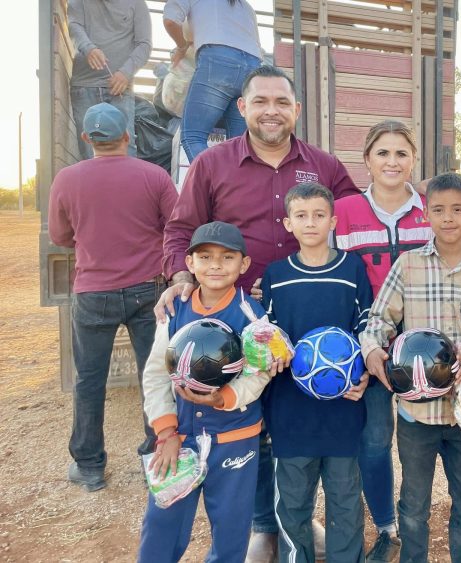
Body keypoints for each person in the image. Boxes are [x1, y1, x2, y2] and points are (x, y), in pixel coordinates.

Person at [157, 64, 360, 561]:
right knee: (248, 415)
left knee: (296, 410)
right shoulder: (211, 164)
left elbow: (359, 216)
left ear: (296, 110)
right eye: (261, 101)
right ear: (243, 107)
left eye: (282, 102)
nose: (272, 111)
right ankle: (264, 525)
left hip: (307, 312)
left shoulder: (325, 165)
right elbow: (181, 230)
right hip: (236, 315)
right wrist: (181, 278)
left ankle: (294, 515)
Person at [361, 172, 461, 563]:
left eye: (458, 210)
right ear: (426, 214)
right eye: (439, 210)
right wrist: (373, 351)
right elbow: (379, 321)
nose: (448, 218)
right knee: (413, 503)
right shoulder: (408, 265)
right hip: (417, 414)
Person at [47, 103, 178, 491]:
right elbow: (175, 227)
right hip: (147, 291)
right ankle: (155, 454)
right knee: (153, 375)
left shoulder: (66, 179)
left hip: (92, 292)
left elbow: (59, 236)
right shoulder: (154, 176)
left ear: (87, 139)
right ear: (128, 136)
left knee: (89, 379)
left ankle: (89, 466)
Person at [138, 221, 275, 562]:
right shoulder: (174, 310)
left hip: (235, 437)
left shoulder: (253, 315)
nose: (215, 265)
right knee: (161, 525)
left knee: (230, 532)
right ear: (190, 263)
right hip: (180, 440)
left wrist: (223, 398)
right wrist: (166, 431)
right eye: (205, 256)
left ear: (243, 265)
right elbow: (156, 373)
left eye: (227, 257)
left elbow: (258, 375)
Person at [260, 183, 373, 562]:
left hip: (343, 408)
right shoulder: (276, 275)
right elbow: (269, 334)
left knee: (344, 500)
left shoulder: (351, 268)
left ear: (333, 221)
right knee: (292, 504)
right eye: (302, 216)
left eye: (319, 215)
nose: (311, 223)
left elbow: (367, 328)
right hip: (291, 411)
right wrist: (273, 355)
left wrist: (363, 377)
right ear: (288, 223)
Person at [333, 120, 429, 561]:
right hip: (366, 349)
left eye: (402, 153)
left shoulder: (433, 210)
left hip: (426, 352)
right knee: (374, 442)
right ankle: (387, 529)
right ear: (367, 160)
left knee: (442, 437)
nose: (393, 161)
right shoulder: (345, 211)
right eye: (383, 153)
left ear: (414, 160)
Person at [163, 0, 264, 161]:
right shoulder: (245, 6)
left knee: (193, 137)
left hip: (218, 61)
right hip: (253, 68)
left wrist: (181, 47)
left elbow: (170, 20)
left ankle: (214, 184)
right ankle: (237, 185)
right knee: (240, 145)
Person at [67, 0, 152, 160]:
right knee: (89, 152)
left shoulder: (137, 4)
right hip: (84, 86)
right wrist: (88, 48)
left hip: (120, 89)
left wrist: (126, 73)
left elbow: (144, 44)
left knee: (125, 151)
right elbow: (74, 25)